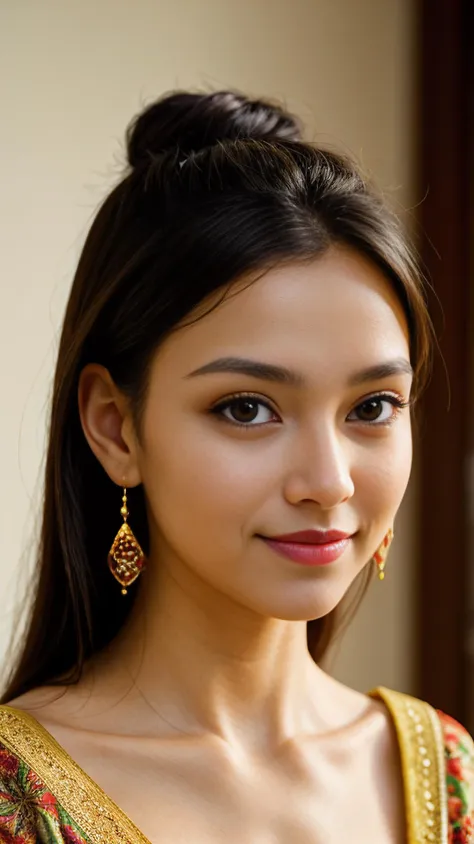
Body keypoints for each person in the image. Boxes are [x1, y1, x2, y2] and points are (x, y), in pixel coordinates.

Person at [0, 90, 472, 844]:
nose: (329, 481)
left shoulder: (449, 780)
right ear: (115, 427)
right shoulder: (18, 802)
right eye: (248, 408)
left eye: (373, 407)